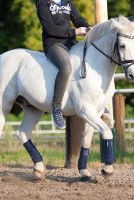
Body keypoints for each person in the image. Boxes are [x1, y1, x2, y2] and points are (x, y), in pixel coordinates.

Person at [36, 0, 90, 129]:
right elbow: (49, 29)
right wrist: (75, 32)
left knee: (89, 59)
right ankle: (56, 108)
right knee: (66, 67)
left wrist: (88, 28)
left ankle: (92, 99)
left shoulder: (67, 2)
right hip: (53, 44)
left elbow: (78, 20)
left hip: (70, 42)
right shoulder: (42, 3)